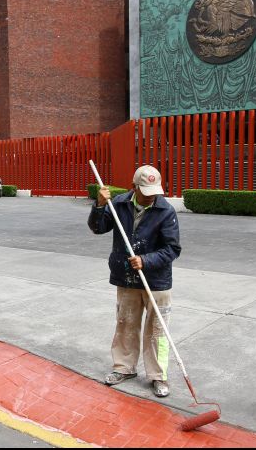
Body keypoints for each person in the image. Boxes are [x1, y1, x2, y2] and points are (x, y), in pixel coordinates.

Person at [87, 165, 181, 398]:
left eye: (154, 191)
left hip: (157, 281)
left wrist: (146, 260)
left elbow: (172, 249)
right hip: (127, 277)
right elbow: (97, 228)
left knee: (157, 330)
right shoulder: (118, 203)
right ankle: (124, 368)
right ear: (134, 187)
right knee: (126, 324)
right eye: (146, 191)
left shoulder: (165, 211)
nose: (151, 196)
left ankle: (158, 375)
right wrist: (99, 205)